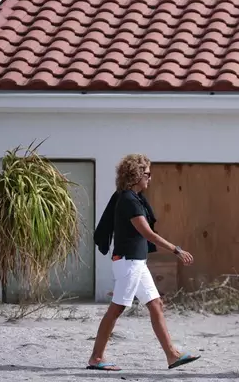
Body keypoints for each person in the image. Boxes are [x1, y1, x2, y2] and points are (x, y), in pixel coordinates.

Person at [87, 153, 201, 372]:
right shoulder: (129, 200)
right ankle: (96, 357)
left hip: (137, 263)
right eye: (147, 174)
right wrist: (176, 249)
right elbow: (147, 233)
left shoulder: (133, 198)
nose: (150, 178)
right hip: (128, 263)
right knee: (116, 309)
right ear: (136, 175)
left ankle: (172, 355)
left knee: (156, 304)